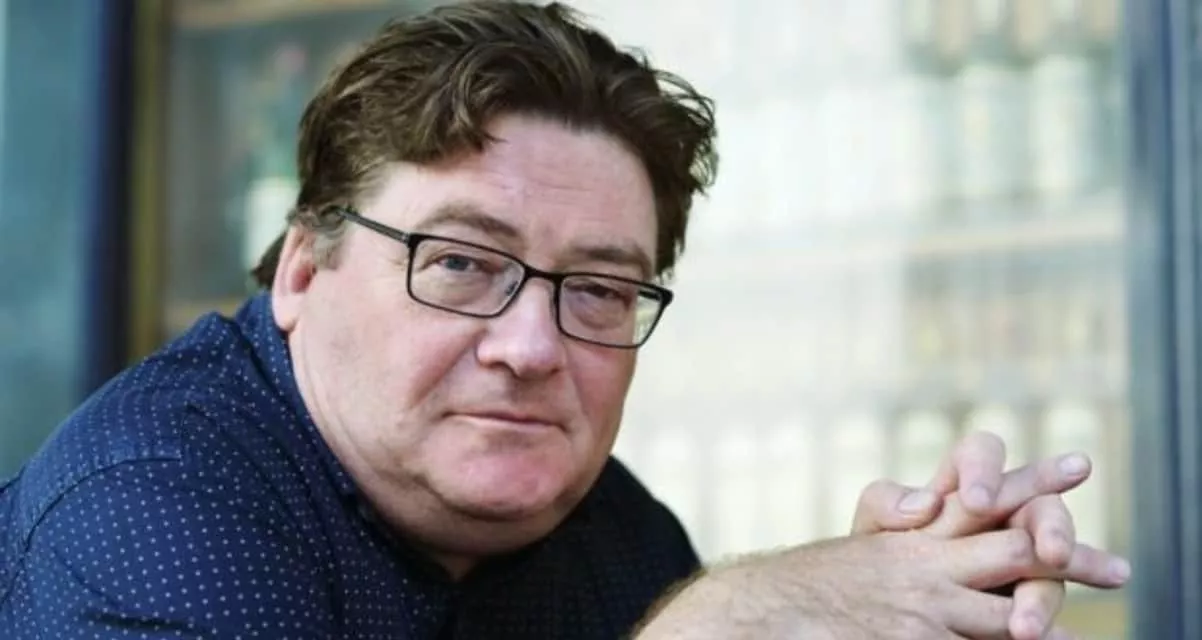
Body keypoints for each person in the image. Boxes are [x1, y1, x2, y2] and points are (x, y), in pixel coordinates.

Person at [0, 2, 1129, 638]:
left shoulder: (609, 532)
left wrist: (879, 596)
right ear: (303, 270)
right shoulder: (152, 507)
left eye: (596, 290)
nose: (532, 348)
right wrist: (722, 621)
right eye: (458, 264)